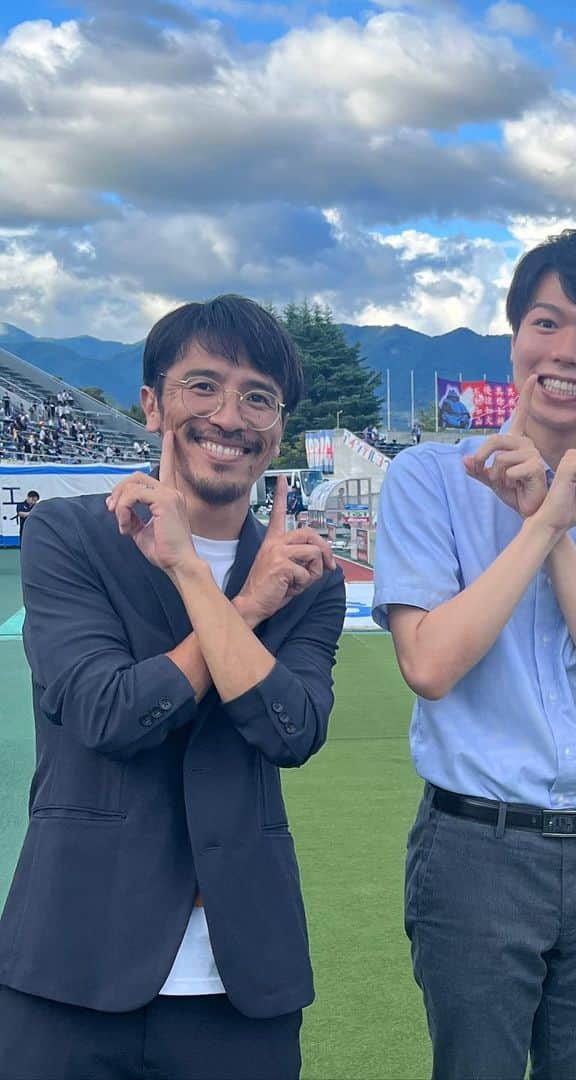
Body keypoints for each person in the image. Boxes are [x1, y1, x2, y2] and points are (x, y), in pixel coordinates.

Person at [0, 295, 345, 1080]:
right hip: (71, 966)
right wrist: (243, 603)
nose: (230, 415)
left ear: (277, 429)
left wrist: (209, 576)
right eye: (203, 386)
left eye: (258, 397)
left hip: (241, 985)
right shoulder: (70, 535)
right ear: (152, 404)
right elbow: (107, 711)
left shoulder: (307, 576)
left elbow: (291, 731)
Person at [373, 229, 576, 1079]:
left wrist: (556, 521)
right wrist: (541, 520)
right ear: (513, 338)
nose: (568, 352)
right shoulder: (430, 479)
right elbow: (429, 664)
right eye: (547, 322)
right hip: (478, 849)